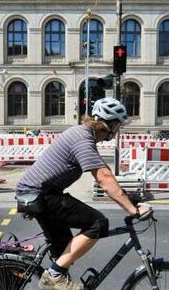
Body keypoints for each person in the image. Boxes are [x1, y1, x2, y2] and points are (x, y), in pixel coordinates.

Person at [15, 97, 150, 290]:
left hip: (39, 194)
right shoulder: (82, 138)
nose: (118, 130)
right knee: (98, 223)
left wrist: (130, 199)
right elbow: (104, 178)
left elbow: (106, 175)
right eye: (118, 125)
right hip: (40, 195)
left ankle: (55, 277)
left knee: (64, 250)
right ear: (109, 124)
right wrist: (132, 210)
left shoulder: (82, 135)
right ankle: (53, 276)